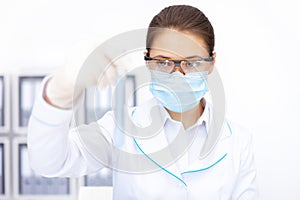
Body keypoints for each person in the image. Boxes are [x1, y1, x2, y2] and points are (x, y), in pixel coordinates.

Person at [27, 5, 258, 199]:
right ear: (147, 62)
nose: (178, 74)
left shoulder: (238, 142)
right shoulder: (120, 128)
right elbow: (50, 162)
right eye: (163, 61)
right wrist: (60, 92)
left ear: (211, 62)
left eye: (192, 62)